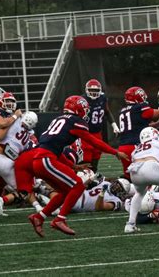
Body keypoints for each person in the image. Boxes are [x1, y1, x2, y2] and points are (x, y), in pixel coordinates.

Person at [27, 95, 128, 237]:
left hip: (40, 160)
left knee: (64, 192)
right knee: (78, 185)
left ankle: (39, 217)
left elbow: (55, 148)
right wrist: (115, 152)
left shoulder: (58, 119)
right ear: (79, 109)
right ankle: (60, 219)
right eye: (84, 109)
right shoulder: (75, 122)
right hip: (46, 160)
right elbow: (94, 141)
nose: (86, 112)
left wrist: (72, 166)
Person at [0, 111, 38, 218]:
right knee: (22, 189)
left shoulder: (13, 122)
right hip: (9, 164)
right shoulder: (28, 137)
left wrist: (13, 116)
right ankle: (38, 207)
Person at [117, 86, 159, 178]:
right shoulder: (140, 108)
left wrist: (158, 124)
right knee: (147, 175)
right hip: (135, 146)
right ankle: (156, 190)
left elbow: (139, 125)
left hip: (122, 147)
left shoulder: (123, 111)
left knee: (130, 177)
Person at [81, 79, 120, 172]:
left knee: (97, 155)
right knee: (86, 157)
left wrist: (114, 125)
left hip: (97, 132)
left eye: (96, 90)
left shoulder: (103, 98)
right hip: (85, 133)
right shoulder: (82, 100)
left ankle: (95, 176)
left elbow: (107, 111)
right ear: (86, 90)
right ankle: (85, 176)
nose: (94, 93)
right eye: (91, 90)